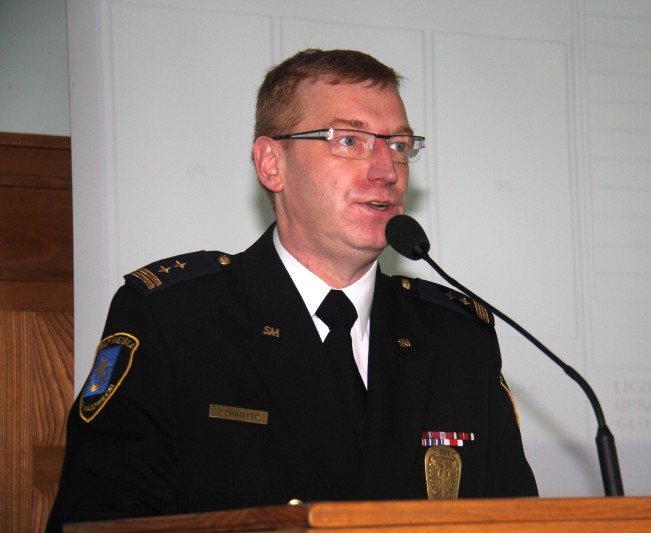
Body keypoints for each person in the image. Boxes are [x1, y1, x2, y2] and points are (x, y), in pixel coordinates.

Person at [47, 48, 536, 531]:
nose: (387, 170)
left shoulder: (458, 339)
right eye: (349, 140)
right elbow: (100, 519)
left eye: (399, 145)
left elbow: (519, 520)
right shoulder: (175, 321)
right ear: (271, 164)